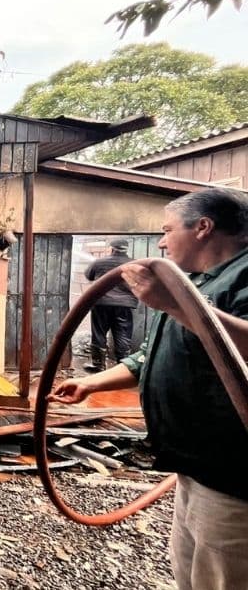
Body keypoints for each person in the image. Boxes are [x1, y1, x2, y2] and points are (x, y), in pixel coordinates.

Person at [51, 188, 248, 590]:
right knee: (191, 573)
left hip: (235, 472)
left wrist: (173, 304)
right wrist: (91, 383)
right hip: (194, 464)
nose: (160, 241)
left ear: (203, 228)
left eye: (166, 229)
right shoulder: (194, 281)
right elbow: (149, 355)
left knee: (225, 578)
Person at [83, 238, 137, 371]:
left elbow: (89, 276)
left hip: (102, 303)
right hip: (125, 305)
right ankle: (123, 367)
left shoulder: (99, 262)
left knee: (99, 333)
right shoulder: (134, 264)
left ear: (112, 248)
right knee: (123, 334)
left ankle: (98, 365)